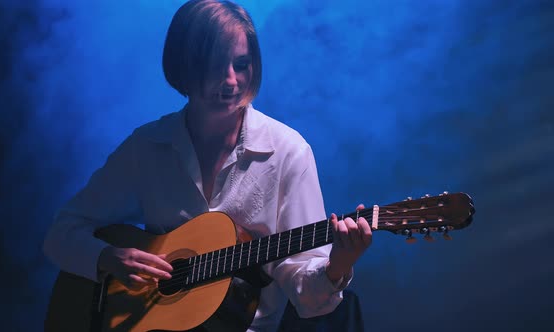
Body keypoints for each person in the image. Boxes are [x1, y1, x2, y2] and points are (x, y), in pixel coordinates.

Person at [43, 0, 372, 330]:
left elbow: (308, 300)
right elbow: (61, 234)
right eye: (216, 66)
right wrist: (106, 259)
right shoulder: (146, 147)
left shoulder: (288, 152)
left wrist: (338, 265)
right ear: (183, 67)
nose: (231, 81)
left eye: (241, 65)